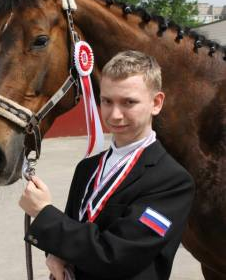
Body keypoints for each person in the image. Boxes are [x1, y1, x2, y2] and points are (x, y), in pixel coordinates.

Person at [19, 50, 195, 280]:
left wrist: (44, 213)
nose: (114, 115)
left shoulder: (172, 181)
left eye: (129, 102)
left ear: (156, 103)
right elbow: (75, 229)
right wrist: (55, 253)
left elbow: (116, 257)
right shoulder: (87, 168)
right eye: (107, 101)